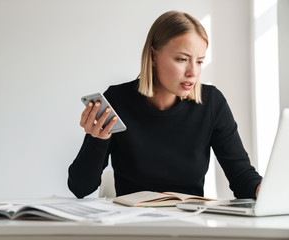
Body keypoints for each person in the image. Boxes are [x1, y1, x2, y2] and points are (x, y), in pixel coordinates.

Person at [68, 11, 262, 199]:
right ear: (153, 56)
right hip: (131, 225)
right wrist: (97, 140)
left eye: (200, 61)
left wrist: (264, 190)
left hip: (188, 224)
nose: (192, 72)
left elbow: (242, 177)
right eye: (182, 59)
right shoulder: (117, 100)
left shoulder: (211, 102)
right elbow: (80, 187)